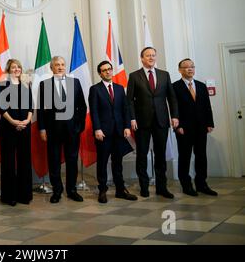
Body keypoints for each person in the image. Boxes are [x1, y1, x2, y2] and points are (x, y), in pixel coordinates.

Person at [127, 47, 179, 198]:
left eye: (153, 55)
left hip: (162, 121)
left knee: (160, 155)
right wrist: (132, 118)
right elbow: (129, 100)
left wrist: (174, 116)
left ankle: (161, 187)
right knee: (142, 155)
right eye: (148, 55)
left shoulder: (164, 75)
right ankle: (144, 187)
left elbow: (172, 97)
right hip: (142, 122)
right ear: (141, 58)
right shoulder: (134, 76)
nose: (151, 58)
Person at [38, 56, 87, 203]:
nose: (60, 67)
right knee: (54, 160)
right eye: (57, 65)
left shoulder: (75, 82)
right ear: (51, 68)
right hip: (53, 129)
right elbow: (41, 109)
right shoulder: (44, 84)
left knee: (72, 160)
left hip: (72, 130)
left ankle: (72, 190)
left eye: (62, 64)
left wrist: (79, 125)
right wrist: (42, 129)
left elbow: (82, 106)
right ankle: (57, 190)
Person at [89, 61, 138, 203]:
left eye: (109, 69)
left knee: (118, 163)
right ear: (100, 73)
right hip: (103, 133)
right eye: (104, 70)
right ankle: (102, 190)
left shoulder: (119, 88)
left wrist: (127, 126)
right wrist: (97, 128)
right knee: (103, 163)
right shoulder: (95, 89)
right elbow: (94, 111)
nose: (108, 72)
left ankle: (120, 190)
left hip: (119, 132)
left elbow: (125, 109)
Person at [173, 58, 217, 196]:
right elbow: (174, 108)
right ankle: (186, 185)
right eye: (186, 67)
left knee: (201, 156)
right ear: (180, 70)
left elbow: (207, 107)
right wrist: (177, 126)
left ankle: (202, 184)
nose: (190, 69)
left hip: (201, 127)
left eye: (192, 66)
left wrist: (210, 123)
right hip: (184, 129)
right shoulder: (175, 87)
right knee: (185, 157)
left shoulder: (201, 86)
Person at [0, 59, 33, 206]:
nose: (16, 69)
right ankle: (9, 196)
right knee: (9, 162)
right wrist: (13, 122)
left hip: (25, 127)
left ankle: (24, 196)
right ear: (8, 70)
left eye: (18, 67)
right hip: (8, 127)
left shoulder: (26, 84)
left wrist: (26, 121)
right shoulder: (3, 84)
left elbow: (31, 106)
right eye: (13, 67)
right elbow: (1, 106)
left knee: (24, 161)